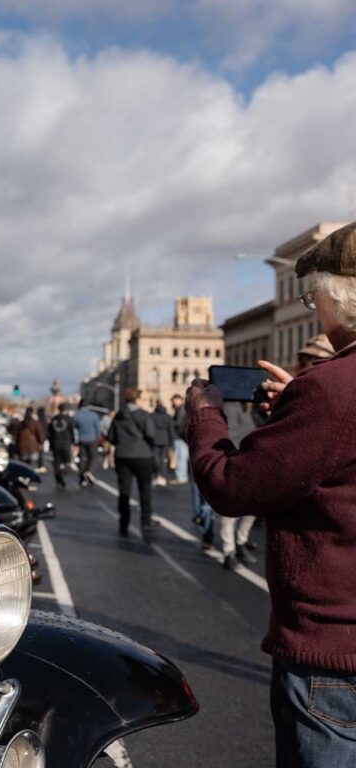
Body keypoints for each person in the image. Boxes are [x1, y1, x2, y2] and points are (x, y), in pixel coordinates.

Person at [186, 222, 356, 767]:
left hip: (336, 657)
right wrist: (301, 405)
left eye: (314, 298)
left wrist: (205, 416)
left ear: (341, 297)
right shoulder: (327, 390)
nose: (314, 313)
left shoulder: (333, 388)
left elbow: (233, 486)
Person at [108, 388, 158, 534]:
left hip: (123, 456)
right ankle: (145, 520)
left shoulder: (118, 416)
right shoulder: (144, 415)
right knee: (145, 490)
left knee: (124, 491)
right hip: (143, 455)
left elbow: (111, 437)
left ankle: (124, 523)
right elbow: (150, 434)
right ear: (137, 399)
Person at [219, 402, 258, 571]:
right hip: (235, 464)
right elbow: (230, 436)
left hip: (251, 464)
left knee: (253, 509)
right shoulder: (231, 406)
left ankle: (241, 541)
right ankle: (229, 552)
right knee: (229, 514)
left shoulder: (247, 408)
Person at [73, 399, 103, 486]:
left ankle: (82, 478)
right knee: (93, 457)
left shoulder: (77, 415)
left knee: (82, 458)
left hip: (81, 439)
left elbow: (74, 428)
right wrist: (98, 438)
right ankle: (89, 471)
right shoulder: (94, 415)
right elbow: (98, 428)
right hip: (92, 439)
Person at [48, 403, 76, 488]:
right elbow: (72, 431)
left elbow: (50, 433)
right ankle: (62, 473)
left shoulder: (54, 419)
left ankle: (58, 477)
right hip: (66, 443)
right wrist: (73, 442)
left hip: (55, 443)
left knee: (57, 462)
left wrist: (50, 444)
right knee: (68, 462)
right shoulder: (69, 419)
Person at [151, 401, 175, 486]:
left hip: (155, 439)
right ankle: (163, 477)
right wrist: (172, 444)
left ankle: (157, 475)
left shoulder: (152, 416)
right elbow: (171, 431)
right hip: (165, 440)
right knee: (163, 459)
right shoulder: (168, 417)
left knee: (156, 459)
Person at [170, 395, 189, 484]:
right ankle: (182, 476)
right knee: (182, 456)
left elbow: (179, 423)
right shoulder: (182, 408)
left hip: (180, 436)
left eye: (174, 400)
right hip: (181, 436)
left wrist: (170, 422)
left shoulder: (181, 409)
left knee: (181, 457)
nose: (173, 403)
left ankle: (181, 477)